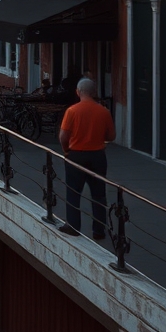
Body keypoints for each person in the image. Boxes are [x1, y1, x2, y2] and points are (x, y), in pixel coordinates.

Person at [58, 78, 115, 239]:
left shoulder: (72, 111)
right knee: (98, 194)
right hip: (97, 156)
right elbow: (111, 135)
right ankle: (99, 230)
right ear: (94, 92)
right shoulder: (104, 112)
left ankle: (73, 226)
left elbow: (63, 136)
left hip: (76, 155)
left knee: (73, 192)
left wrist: (66, 150)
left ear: (78, 92)